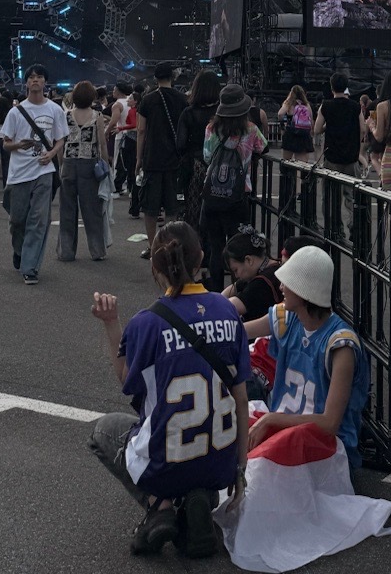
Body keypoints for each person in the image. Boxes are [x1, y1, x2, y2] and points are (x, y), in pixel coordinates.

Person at [89, 221, 250, 558]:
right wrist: (239, 468)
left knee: (104, 430)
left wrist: (111, 323)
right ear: (200, 258)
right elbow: (240, 398)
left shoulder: (147, 323)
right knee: (198, 467)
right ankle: (198, 500)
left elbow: (126, 380)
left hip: (169, 461)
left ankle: (159, 505)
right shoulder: (227, 311)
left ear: (155, 267)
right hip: (218, 462)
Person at [243, 244, 370, 468]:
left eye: (287, 282)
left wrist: (272, 419)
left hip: (326, 452)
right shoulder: (287, 318)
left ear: (304, 290)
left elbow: (329, 423)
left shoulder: (340, 346)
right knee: (231, 427)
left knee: (256, 472)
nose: (281, 287)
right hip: (286, 433)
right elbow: (238, 332)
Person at [0, 64, 68, 285]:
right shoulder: (15, 112)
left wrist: (52, 154)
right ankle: (19, 251)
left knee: (39, 220)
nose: (35, 80)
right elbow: (6, 143)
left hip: (44, 171)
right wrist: (19, 144)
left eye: (39, 77)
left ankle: (30, 267)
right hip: (19, 173)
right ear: (26, 82)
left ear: (45, 81)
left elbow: (60, 139)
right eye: (31, 77)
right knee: (17, 220)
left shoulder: (55, 110)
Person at [200, 86, 267, 291]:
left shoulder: (211, 128)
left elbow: (207, 157)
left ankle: (216, 293)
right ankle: (237, 293)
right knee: (238, 247)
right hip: (238, 196)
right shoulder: (251, 129)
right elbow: (263, 147)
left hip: (213, 195)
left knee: (216, 247)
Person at [135, 61, 188, 259]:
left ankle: (153, 247)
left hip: (152, 158)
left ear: (155, 78)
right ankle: (169, 245)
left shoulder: (147, 100)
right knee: (172, 208)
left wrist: (138, 159)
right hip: (175, 159)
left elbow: (141, 130)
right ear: (172, 77)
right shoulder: (182, 99)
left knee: (150, 207)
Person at [58, 80, 108, 262]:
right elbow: (102, 144)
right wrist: (106, 164)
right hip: (89, 164)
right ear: (92, 97)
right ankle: (97, 250)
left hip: (69, 163)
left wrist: (61, 164)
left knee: (67, 210)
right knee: (92, 210)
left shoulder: (66, 116)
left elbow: (61, 142)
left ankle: (66, 251)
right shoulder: (97, 116)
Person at [314, 74, 365, 234]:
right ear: (346, 87)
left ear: (332, 87)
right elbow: (363, 129)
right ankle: (354, 223)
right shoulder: (355, 106)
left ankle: (335, 228)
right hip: (351, 158)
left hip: (332, 157)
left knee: (330, 196)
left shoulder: (326, 106)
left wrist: (327, 127)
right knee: (352, 195)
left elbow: (317, 129)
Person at [176, 70, 222, 230]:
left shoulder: (188, 113)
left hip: (195, 165)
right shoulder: (222, 113)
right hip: (220, 165)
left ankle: (196, 241)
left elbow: (180, 144)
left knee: (194, 208)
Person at [221, 226, 282, 320]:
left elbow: (229, 307)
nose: (236, 275)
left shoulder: (262, 283)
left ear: (248, 260)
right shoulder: (274, 266)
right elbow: (235, 287)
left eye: (236, 270)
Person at [277, 85, 314, 157]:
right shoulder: (307, 105)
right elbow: (311, 119)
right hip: (304, 135)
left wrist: (283, 124)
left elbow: (280, 114)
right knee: (301, 162)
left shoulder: (289, 103)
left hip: (291, 133)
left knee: (287, 160)